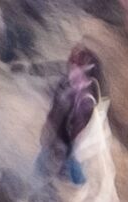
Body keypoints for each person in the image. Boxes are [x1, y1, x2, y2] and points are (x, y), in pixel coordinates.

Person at [38, 45, 104, 186]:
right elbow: (54, 111)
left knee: (70, 184)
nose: (72, 70)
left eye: (76, 67)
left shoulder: (86, 101)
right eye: (72, 65)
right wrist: (48, 133)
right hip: (55, 141)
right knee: (40, 173)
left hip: (71, 151)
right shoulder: (65, 84)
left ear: (86, 72)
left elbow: (78, 136)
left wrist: (64, 153)